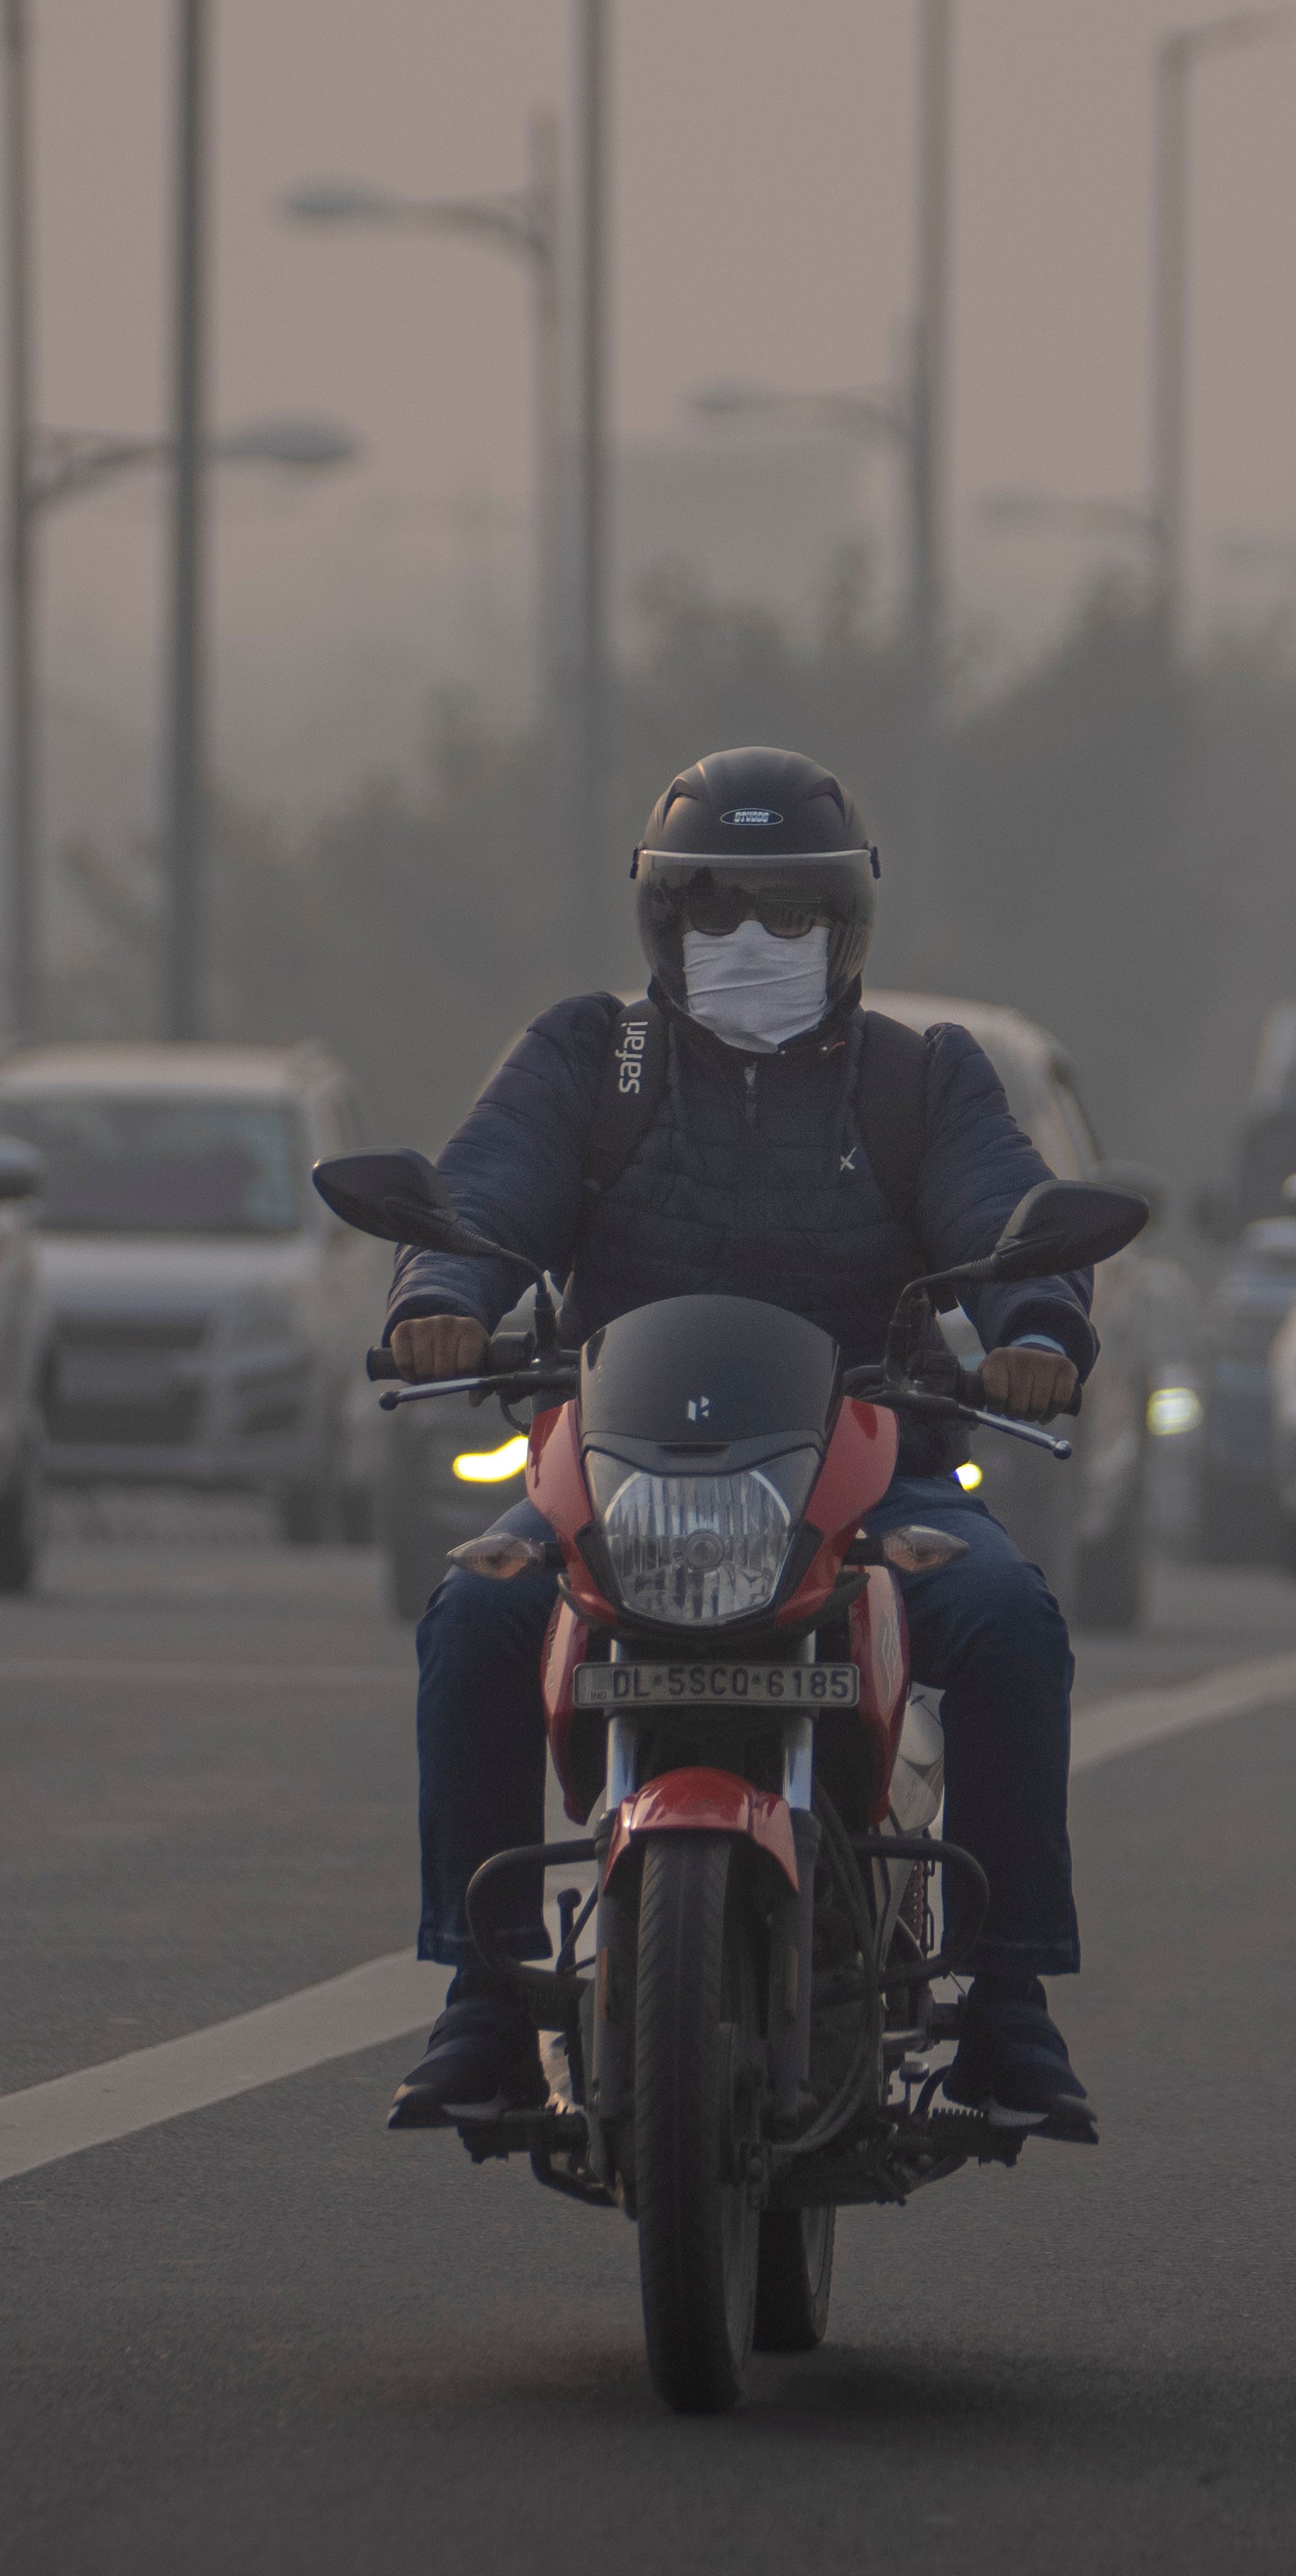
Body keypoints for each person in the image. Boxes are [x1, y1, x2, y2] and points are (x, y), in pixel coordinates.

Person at [382, 747, 1104, 2141]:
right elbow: (487, 1191)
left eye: (790, 916)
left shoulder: (919, 1080)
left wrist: (1042, 1330)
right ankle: (480, 1998)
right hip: (610, 1473)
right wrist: (439, 1302)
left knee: (1010, 1621)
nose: (754, 944)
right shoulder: (589, 1059)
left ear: (846, 930)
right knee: (474, 1613)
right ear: (664, 923)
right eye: (718, 912)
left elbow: (1009, 1215)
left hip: (868, 1471)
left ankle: (1010, 2007)